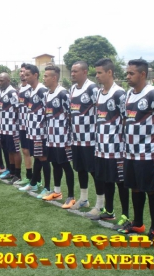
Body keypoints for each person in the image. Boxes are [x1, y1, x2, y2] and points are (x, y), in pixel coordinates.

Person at [118, 59, 154, 242]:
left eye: (131, 73)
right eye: (127, 73)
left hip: (148, 153)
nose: (127, 76)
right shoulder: (128, 94)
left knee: (151, 190)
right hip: (130, 153)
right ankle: (138, 223)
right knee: (135, 188)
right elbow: (124, 120)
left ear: (142, 74)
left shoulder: (153, 95)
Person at [90, 58, 129, 228]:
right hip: (101, 147)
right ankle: (109, 211)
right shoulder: (98, 93)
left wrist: (121, 140)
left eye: (99, 72)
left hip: (116, 148)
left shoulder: (119, 93)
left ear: (109, 72)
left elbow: (126, 119)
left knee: (121, 183)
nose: (97, 76)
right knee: (106, 180)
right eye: (96, 72)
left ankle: (126, 216)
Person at [69, 61, 105, 217]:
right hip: (76, 138)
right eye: (71, 71)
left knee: (94, 172)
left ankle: (100, 204)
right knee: (80, 169)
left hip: (90, 139)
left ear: (84, 72)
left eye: (75, 71)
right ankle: (84, 199)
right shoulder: (72, 89)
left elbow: (100, 111)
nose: (72, 74)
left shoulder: (92, 89)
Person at [42, 65, 75, 207]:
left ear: (54, 78)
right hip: (51, 136)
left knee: (65, 165)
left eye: (46, 76)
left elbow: (71, 115)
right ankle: (56, 192)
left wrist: (68, 134)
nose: (44, 78)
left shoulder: (63, 93)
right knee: (55, 164)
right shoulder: (47, 94)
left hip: (63, 137)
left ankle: (71, 196)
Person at [19, 64, 50, 198]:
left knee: (43, 158)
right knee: (37, 157)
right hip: (31, 130)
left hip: (40, 131)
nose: (25, 77)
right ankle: (34, 182)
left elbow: (48, 110)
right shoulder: (31, 90)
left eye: (27, 75)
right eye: (24, 75)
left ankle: (48, 187)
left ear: (35, 75)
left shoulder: (42, 90)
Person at [0, 73, 22, 184]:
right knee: (9, 150)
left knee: (15, 150)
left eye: (1, 80)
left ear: (8, 80)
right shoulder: (3, 92)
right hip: (3, 127)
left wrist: (14, 123)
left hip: (12, 128)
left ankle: (18, 174)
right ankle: (11, 171)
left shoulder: (12, 92)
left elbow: (18, 109)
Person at [14, 63, 33, 186]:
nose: (22, 74)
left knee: (36, 153)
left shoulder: (33, 88)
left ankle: (37, 179)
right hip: (22, 125)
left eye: (25, 71)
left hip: (32, 125)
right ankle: (29, 176)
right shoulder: (20, 88)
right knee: (25, 150)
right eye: (21, 71)